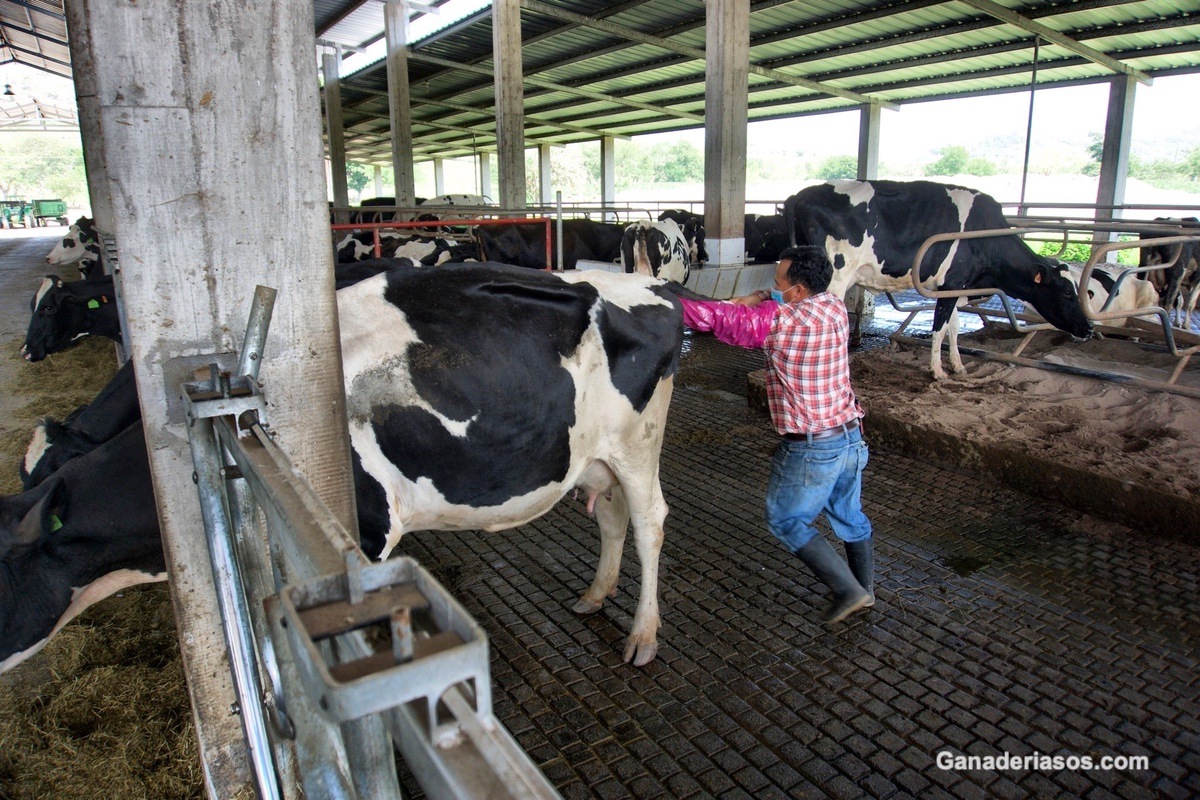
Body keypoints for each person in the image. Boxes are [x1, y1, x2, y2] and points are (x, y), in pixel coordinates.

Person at [680, 245, 874, 623]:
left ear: (798, 290)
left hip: (813, 448)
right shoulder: (834, 306)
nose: (774, 286)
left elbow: (718, 320)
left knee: (785, 520)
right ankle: (865, 590)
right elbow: (776, 305)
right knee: (850, 515)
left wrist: (666, 301)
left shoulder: (780, 324)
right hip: (851, 437)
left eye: (779, 282)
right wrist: (762, 297)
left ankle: (848, 590)